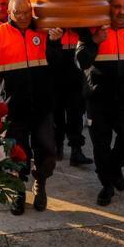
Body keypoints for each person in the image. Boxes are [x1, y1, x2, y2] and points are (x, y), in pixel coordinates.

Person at [0, 0, 62, 215]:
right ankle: (18, 191)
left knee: (47, 149)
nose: (24, 17)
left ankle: (40, 183)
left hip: (42, 104)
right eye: (19, 13)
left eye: (27, 12)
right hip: (13, 106)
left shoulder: (44, 31)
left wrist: (55, 43)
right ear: (9, 13)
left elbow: (57, 65)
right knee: (16, 152)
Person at [76, 0, 124, 206]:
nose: (122, 12)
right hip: (97, 99)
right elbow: (81, 61)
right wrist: (95, 41)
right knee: (101, 145)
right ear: (108, 9)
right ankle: (107, 186)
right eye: (117, 7)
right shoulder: (92, 27)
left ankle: (114, 168)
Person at [52, 23, 93, 168]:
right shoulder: (54, 20)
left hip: (75, 65)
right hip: (56, 64)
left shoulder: (79, 22)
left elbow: (88, 37)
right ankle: (57, 146)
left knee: (76, 111)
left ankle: (76, 151)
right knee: (57, 110)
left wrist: (78, 27)